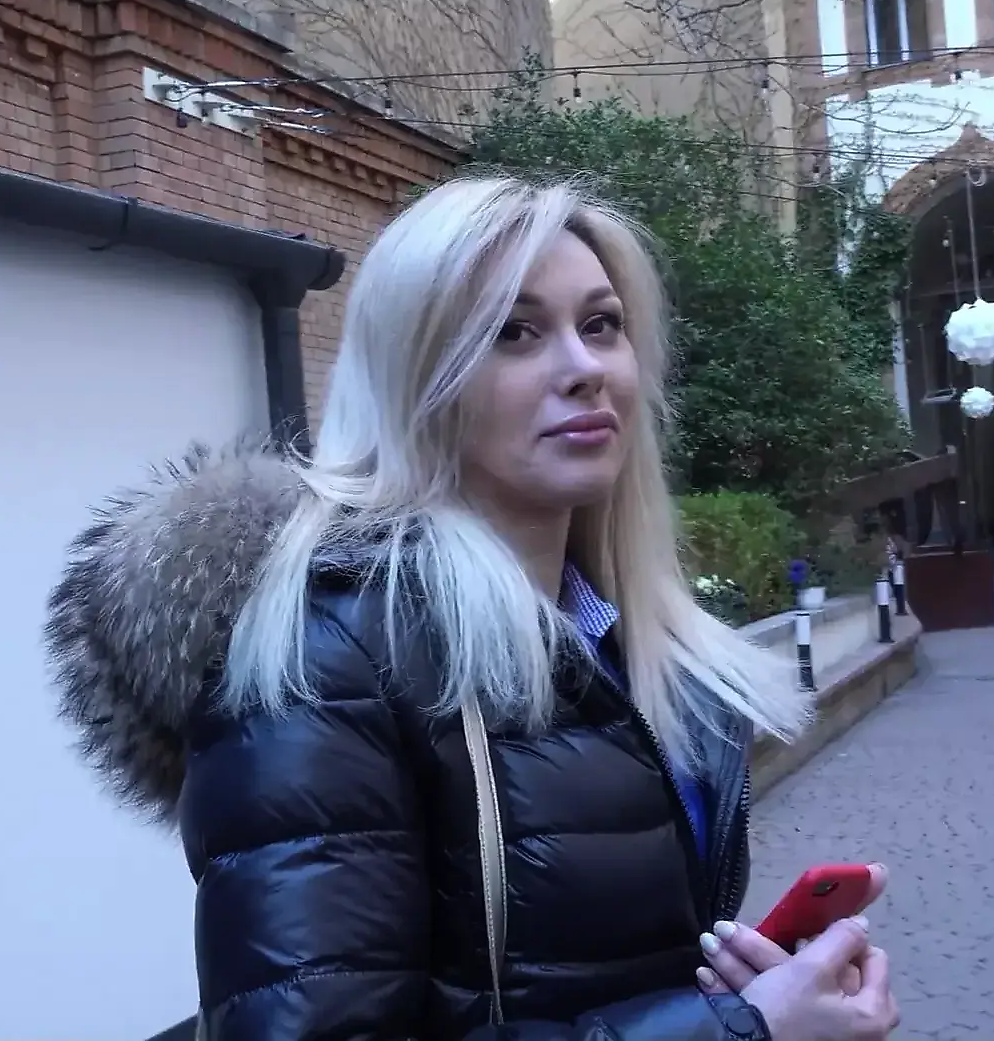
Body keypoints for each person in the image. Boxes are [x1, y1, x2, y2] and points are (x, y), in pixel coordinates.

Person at [46, 176, 900, 1039]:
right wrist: (744, 1031)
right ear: (417, 378)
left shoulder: (623, 640)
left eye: (601, 325)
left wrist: (755, 998)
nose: (584, 369)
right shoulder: (323, 660)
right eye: (514, 333)